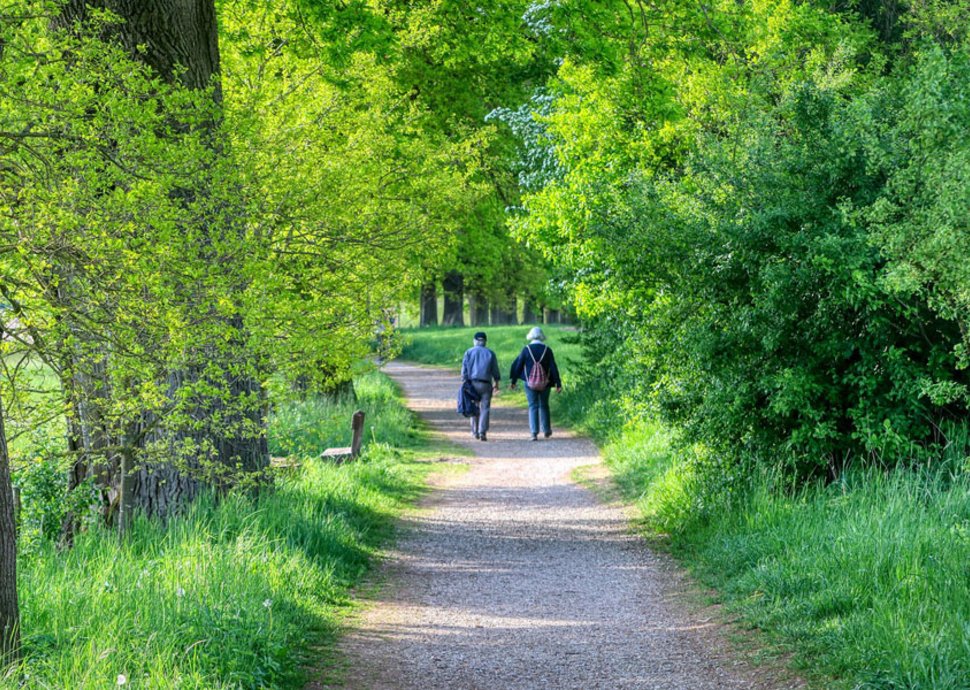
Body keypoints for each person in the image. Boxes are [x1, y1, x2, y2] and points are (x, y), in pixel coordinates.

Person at [509, 326, 562, 441]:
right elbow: (553, 367)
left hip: (530, 383)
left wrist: (513, 381)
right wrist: (558, 383)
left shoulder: (526, 349)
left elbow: (518, 366)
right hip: (545, 383)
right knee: (544, 405)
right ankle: (547, 430)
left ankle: (534, 433)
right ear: (542, 337)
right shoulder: (547, 350)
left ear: (531, 336)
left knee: (533, 406)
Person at [460, 331, 501, 441]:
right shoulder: (490, 353)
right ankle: (482, 432)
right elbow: (495, 370)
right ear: (485, 341)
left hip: (472, 384)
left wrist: (464, 382)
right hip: (486, 384)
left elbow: (464, 370)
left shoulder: (468, 352)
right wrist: (496, 383)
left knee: (474, 407)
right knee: (485, 408)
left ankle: (474, 432)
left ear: (474, 341)